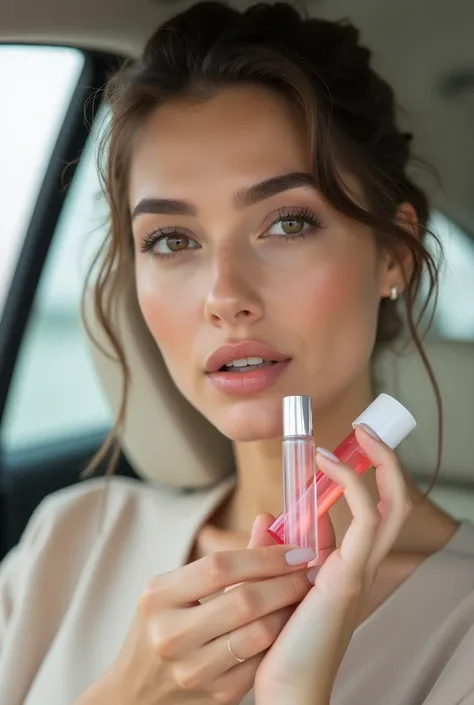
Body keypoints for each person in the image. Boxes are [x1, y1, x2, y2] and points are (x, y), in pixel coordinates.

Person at [1, 2, 474, 704]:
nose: (225, 294)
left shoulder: (461, 621)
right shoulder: (70, 540)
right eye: (172, 239)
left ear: (394, 256)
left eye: (287, 222)